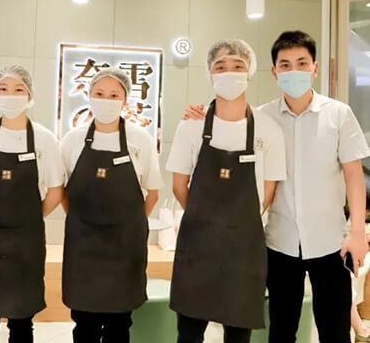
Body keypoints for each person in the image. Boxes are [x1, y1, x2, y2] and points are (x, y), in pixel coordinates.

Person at [183, 31, 370, 342]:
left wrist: (358, 233)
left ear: (314, 68)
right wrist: (199, 113)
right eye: (285, 65)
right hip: (279, 243)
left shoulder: (338, 115)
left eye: (302, 63)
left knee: (335, 331)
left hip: (331, 243)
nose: (294, 70)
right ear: (274, 72)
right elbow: (225, 120)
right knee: (281, 331)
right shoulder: (261, 118)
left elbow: (353, 175)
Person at [166, 39, 287, 343]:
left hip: (244, 248)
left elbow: (268, 192)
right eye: (220, 67)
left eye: (237, 66)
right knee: (189, 332)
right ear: (210, 73)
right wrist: (205, 219)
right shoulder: (191, 126)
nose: (229, 72)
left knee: (238, 333)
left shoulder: (268, 129)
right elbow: (179, 185)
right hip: (197, 245)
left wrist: (235, 224)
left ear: (249, 73)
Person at [0, 64, 65, 343]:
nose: (10, 95)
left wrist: (31, 218)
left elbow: (56, 190)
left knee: (22, 322)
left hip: (26, 246)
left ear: (30, 95)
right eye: (3, 89)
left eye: (19, 89)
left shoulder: (44, 139)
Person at [60, 68, 161, 343]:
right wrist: (82, 222)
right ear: (89, 96)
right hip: (84, 247)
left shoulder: (141, 139)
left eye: (114, 95)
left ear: (125, 100)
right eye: (99, 93)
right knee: (84, 325)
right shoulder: (72, 140)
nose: (106, 100)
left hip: (124, 249)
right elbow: (63, 191)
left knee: (120, 324)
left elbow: (152, 193)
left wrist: (131, 225)